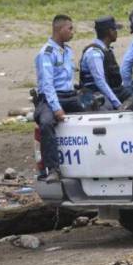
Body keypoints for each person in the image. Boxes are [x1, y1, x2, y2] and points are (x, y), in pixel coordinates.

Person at [34, 15, 81, 183]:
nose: (72, 32)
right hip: (51, 97)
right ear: (60, 29)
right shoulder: (46, 53)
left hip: (69, 95)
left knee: (100, 109)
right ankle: (52, 168)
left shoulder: (67, 51)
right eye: (70, 28)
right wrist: (56, 107)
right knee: (46, 123)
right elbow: (47, 85)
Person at [79, 16, 128, 110]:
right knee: (108, 108)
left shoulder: (106, 50)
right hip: (95, 94)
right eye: (115, 30)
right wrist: (118, 105)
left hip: (108, 90)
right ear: (110, 32)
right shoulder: (94, 53)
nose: (117, 32)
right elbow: (100, 82)